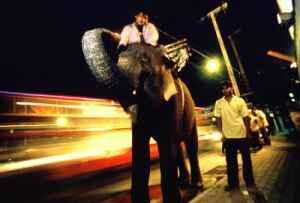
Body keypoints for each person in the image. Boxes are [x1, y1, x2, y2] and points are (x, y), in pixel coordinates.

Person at [213, 80, 256, 191]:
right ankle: (233, 184)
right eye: (223, 88)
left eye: (227, 87)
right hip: (228, 137)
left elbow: (245, 117)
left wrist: (247, 132)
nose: (225, 90)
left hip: (242, 135)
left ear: (231, 88)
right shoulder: (218, 103)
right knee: (231, 162)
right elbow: (218, 119)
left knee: (246, 160)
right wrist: (221, 134)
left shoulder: (240, 101)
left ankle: (250, 182)